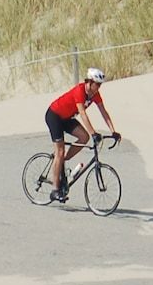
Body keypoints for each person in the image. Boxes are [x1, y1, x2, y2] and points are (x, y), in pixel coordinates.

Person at [45, 67, 120, 200]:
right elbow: (83, 114)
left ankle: (62, 160)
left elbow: (104, 111)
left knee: (83, 137)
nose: (99, 87)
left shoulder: (95, 94)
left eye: (100, 85)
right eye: (97, 84)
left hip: (67, 118)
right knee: (60, 151)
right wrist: (93, 133)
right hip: (54, 116)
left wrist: (113, 131)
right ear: (89, 82)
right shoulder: (79, 91)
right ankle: (55, 190)